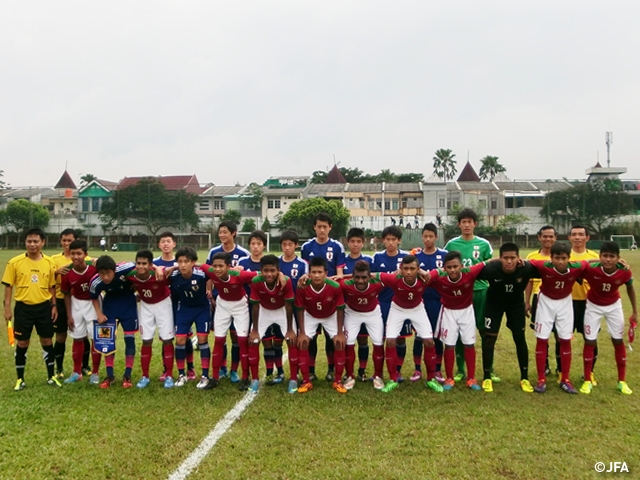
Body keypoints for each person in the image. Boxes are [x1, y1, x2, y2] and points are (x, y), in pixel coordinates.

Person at [476, 243, 540, 393]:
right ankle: (487, 377)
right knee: (489, 338)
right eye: (506, 258)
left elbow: (548, 267)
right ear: (500, 259)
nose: (509, 261)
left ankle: (524, 378)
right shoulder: (491, 269)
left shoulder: (527, 268)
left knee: (519, 337)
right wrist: (487, 262)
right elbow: (470, 273)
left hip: (515, 305)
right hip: (494, 304)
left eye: (513, 258)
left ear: (519, 258)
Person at [528, 242, 591, 394]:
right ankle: (541, 379)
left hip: (565, 303)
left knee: (565, 339)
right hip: (545, 303)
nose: (560, 261)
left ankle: (565, 379)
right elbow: (524, 262)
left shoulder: (576, 266)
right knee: (542, 339)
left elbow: (588, 262)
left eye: (564, 258)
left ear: (569, 258)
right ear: (551, 257)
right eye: (557, 258)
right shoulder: (543, 265)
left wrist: (617, 261)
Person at [2, 228, 59, 390]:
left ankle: (51, 376)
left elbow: (52, 287)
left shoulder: (49, 262)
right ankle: (20, 379)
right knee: (22, 342)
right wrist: (7, 309)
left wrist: (54, 305)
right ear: (24, 242)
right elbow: (8, 287)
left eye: (35, 241)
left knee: (47, 341)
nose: (32, 244)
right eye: (29, 241)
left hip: (44, 308)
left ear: (43, 242)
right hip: (23, 309)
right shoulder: (14, 262)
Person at [377, 256, 443, 394]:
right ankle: (393, 379)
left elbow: (442, 270)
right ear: (400, 269)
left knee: (429, 341)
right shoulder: (394, 279)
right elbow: (372, 275)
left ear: (418, 269)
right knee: (390, 341)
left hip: (417, 308)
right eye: (405, 269)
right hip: (397, 309)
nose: (408, 272)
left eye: (412, 269)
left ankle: (431, 378)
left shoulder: (425, 278)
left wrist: (424, 272)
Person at [444, 208, 496, 383]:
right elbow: (446, 265)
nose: (467, 225)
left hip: (480, 291)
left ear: (475, 224)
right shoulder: (451, 244)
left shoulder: (484, 244)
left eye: (470, 222)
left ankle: (490, 369)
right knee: (458, 332)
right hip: (458, 293)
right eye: (463, 222)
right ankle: (460, 369)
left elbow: (490, 266)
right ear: (459, 224)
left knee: (484, 331)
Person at [579, 242, 636, 395]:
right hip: (593, 306)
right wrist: (593, 261)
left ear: (618, 258)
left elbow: (630, 288)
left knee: (617, 340)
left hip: (613, 306)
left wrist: (635, 311)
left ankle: (622, 381)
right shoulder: (591, 269)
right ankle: (587, 381)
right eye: (605, 256)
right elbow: (574, 264)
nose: (608, 259)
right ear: (600, 256)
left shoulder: (624, 271)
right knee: (590, 340)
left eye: (612, 256)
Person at [425, 251, 486, 391]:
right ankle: (449, 378)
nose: (453, 270)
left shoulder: (469, 273)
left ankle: (471, 378)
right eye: (449, 267)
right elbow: (425, 278)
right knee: (450, 345)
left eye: (455, 266)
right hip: (448, 312)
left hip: (467, 311)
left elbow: (487, 263)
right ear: (444, 268)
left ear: (461, 266)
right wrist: (436, 272)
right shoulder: (441, 279)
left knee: (469, 344)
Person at [203, 252, 259, 391]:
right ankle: (215, 377)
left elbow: (259, 274)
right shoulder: (210, 271)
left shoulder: (239, 275)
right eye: (215, 266)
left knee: (242, 341)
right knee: (219, 340)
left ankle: (245, 377)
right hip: (222, 305)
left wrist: (281, 275)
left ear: (229, 266)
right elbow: (198, 265)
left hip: (240, 306)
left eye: (221, 266)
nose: (217, 269)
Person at [300, 212, 345, 382]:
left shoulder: (337, 247)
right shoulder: (306, 247)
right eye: (319, 226)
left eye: (325, 227)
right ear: (314, 227)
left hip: (330, 296)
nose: (322, 230)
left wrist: (326, 280)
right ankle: (310, 370)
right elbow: (306, 272)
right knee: (310, 338)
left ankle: (331, 370)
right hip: (312, 296)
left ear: (330, 227)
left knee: (329, 337)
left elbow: (340, 275)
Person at [206, 220, 250, 380]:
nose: (222, 235)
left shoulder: (243, 253)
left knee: (236, 337)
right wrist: (209, 290)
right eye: (220, 232)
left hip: (238, 300)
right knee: (220, 336)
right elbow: (209, 272)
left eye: (225, 232)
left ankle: (234, 370)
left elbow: (248, 275)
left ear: (234, 233)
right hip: (221, 300)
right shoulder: (214, 252)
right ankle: (221, 368)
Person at [295, 257, 346, 394]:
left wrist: (340, 333)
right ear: (309, 273)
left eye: (320, 272)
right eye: (314, 272)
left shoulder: (335, 287)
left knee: (339, 343)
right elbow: (299, 309)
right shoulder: (303, 286)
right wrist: (302, 332)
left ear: (326, 273)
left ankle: (338, 381)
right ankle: (306, 381)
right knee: (303, 342)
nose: (317, 275)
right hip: (310, 315)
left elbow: (340, 309)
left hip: (330, 315)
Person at [248, 255, 298, 393]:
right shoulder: (256, 281)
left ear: (278, 270)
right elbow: (256, 306)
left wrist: (289, 329)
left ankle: (293, 378)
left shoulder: (285, 281)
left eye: (272, 270)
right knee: (254, 341)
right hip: (264, 310)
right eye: (266, 270)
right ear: (261, 270)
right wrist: (255, 330)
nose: (269, 274)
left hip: (282, 310)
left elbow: (289, 306)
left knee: (291, 340)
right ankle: (255, 379)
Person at [165, 247, 213, 388]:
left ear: (193, 262)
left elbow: (214, 273)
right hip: (184, 309)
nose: (183, 265)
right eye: (179, 262)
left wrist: (209, 290)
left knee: (202, 339)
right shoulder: (174, 276)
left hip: (202, 309)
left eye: (186, 261)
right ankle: (181, 374)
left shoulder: (201, 274)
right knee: (180, 339)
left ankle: (205, 375)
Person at [127, 250, 175, 389]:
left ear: (150, 265)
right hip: (146, 306)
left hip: (163, 305)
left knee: (167, 339)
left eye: (144, 264)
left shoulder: (160, 274)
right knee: (146, 340)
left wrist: (159, 268)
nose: (141, 267)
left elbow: (182, 267)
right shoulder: (131, 275)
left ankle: (169, 375)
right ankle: (145, 375)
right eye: (138, 263)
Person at [371, 226, 412, 380]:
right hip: (382, 303)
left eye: (394, 239)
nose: (390, 242)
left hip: (401, 304)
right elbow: (371, 277)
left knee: (400, 338)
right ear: (383, 240)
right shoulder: (377, 257)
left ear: (399, 241)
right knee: (381, 339)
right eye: (387, 239)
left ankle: (398, 370)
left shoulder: (406, 257)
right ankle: (380, 372)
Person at [90, 256, 138, 388]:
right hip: (109, 309)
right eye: (102, 273)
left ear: (114, 269)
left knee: (129, 339)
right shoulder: (95, 282)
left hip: (128, 308)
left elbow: (140, 266)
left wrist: (137, 287)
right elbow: (93, 297)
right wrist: (99, 313)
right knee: (107, 341)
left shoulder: (124, 268)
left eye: (108, 273)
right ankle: (109, 375)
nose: (105, 277)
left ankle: (127, 375)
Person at [239, 231, 280, 384]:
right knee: (247, 340)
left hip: (265, 306)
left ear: (264, 245)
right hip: (245, 306)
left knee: (270, 340)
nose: (255, 247)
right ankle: (246, 374)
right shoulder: (242, 262)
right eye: (253, 244)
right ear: (249, 245)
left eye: (259, 244)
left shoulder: (269, 263)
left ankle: (272, 371)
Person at [339, 261, 385, 390]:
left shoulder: (377, 284)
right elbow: (327, 281)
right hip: (352, 313)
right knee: (349, 342)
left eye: (364, 277)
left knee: (378, 342)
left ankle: (378, 375)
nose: (360, 281)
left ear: (369, 277)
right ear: (352, 277)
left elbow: (394, 277)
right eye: (357, 277)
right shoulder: (345, 284)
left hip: (372, 313)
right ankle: (349, 375)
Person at [153, 232, 192, 383]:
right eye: (163, 242)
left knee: (185, 335)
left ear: (174, 244)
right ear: (159, 245)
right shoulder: (155, 263)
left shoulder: (181, 262)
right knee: (166, 336)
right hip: (163, 304)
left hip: (181, 302)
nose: (166, 244)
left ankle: (190, 367)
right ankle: (166, 369)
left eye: (168, 241)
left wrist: (175, 267)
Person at [411, 223, 447, 383]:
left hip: (439, 301)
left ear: (436, 237)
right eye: (425, 236)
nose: (427, 239)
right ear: (422, 237)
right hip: (421, 301)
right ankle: (417, 369)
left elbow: (449, 270)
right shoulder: (417, 256)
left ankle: (437, 369)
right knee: (419, 336)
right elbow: (409, 270)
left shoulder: (444, 255)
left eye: (431, 236)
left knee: (437, 337)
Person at [61, 240, 99, 384]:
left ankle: (95, 372)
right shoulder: (67, 272)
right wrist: (69, 315)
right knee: (77, 338)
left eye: (79, 253)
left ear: (86, 254)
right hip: (76, 304)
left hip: (93, 303)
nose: (75, 257)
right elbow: (65, 294)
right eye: (73, 254)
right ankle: (77, 372)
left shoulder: (93, 267)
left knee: (95, 338)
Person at [567, 225, 600, 385]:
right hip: (567, 303)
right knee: (563, 338)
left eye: (581, 234)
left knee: (591, 338)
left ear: (587, 238)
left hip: (589, 303)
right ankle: (562, 371)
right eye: (574, 234)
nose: (577, 237)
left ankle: (589, 372)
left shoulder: (595, 257)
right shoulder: (565, 255)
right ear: (569, 238)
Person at [524, 225, 557, 377]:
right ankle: (545, 365)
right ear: (539, 237)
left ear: (555, 238)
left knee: (559, 334)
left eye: (551, 236)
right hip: (539, 298)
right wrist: (527, 301)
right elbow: (529, 281)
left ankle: (561, 366)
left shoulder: (561, 256)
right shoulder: (532, 257)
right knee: (542, 334)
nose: (548, 239)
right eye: (545, 236)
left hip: (559, 299)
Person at [343, 227, 374, 381]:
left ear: (363, 243)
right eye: (352, 241)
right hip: (348, 307)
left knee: (363, 339)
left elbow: (373, 279)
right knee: (348, 340)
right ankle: (348, 372)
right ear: (347, 243)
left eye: (358, 241)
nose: (355, 244)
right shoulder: (342, 260)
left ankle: (362, 370)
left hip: (366, 307)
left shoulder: (369, 260)